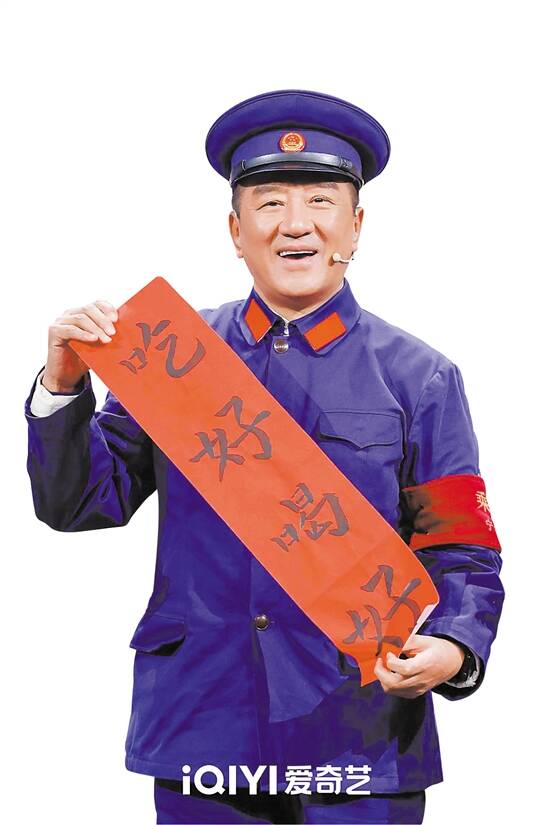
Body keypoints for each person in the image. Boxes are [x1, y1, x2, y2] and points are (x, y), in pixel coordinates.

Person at [24, 89, 505, 825]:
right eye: (270, 202)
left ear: (356, 225)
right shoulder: (171, 358)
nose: (296, 223)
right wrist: (63, 387)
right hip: (203, 725)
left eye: (321, 200)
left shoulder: (421, 377)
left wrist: (454, 645)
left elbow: (463, 546)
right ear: (236, 229)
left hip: (359, 733)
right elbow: (79, 502)